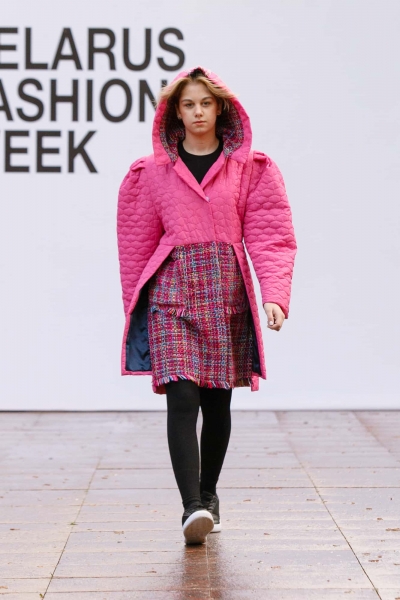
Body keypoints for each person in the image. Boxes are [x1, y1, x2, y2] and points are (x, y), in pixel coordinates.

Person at [116, 66, 297, 545]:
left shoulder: (251, 168)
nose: (197, 112)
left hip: (226, 293)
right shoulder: (149, 173)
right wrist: (134, 305)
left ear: (221, 108)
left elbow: (271, 235)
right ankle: (191, 506)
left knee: (217, 403)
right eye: (188, 104)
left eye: (205, 103)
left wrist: (275, 295)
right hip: (171, 293)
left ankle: (209, 493)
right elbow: (135, 245)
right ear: (175, 113)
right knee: (182, 396)